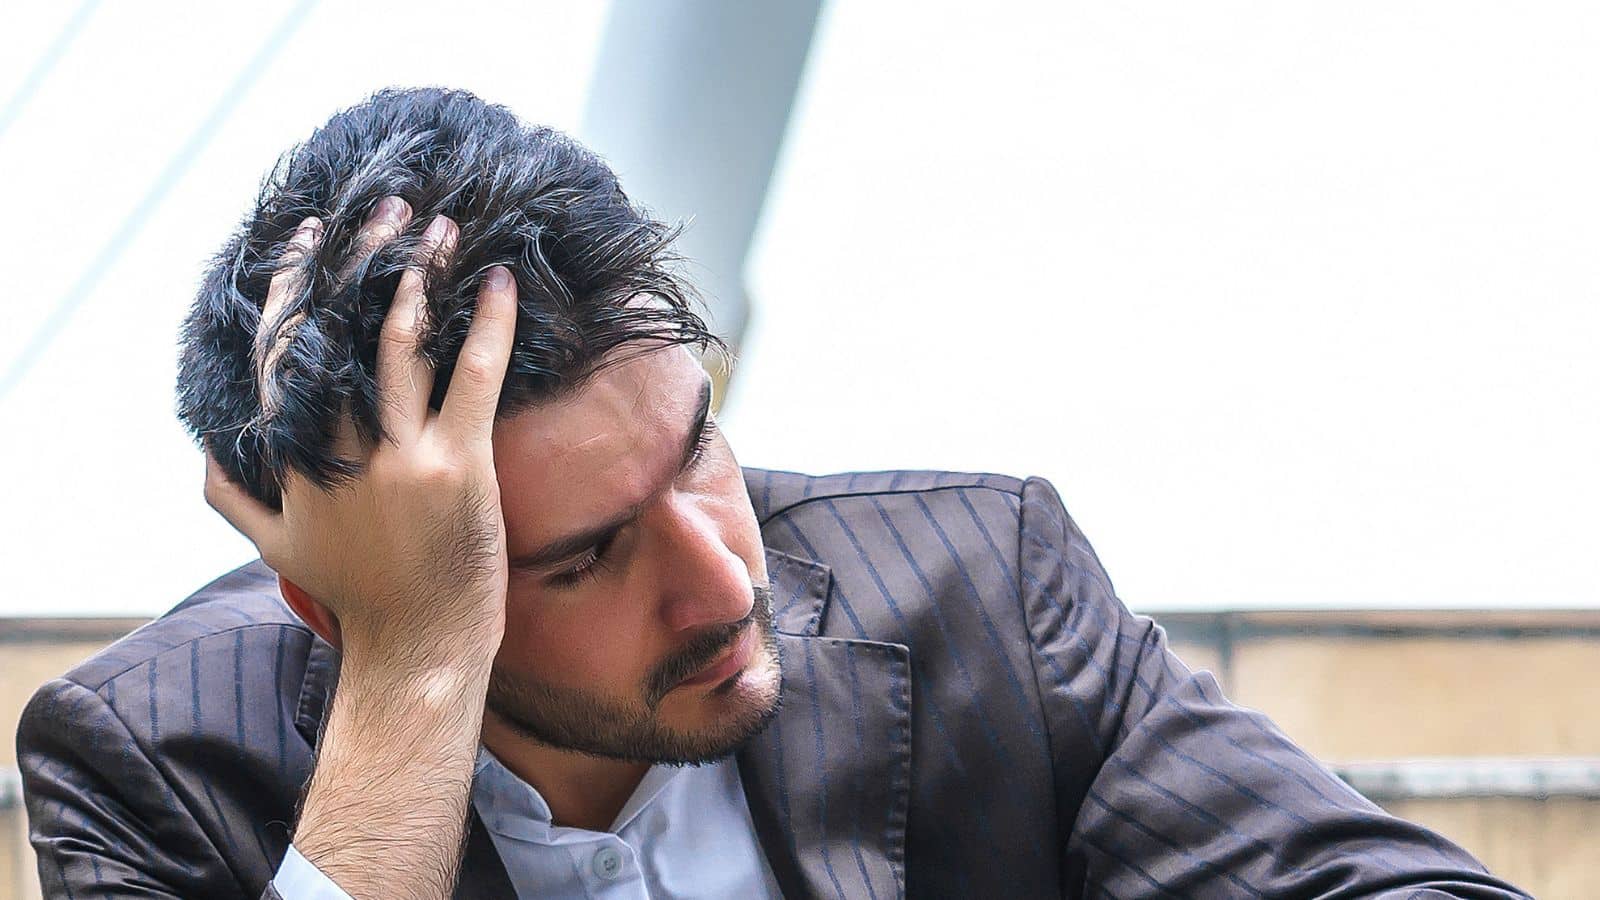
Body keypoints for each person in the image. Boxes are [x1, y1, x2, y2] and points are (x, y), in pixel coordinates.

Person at [16, 88, 1528, 900]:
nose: (721, 578)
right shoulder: (152, 765)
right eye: (588, 555)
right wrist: (413, 677)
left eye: (699, 450)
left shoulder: (981, 583)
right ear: (343, 594)